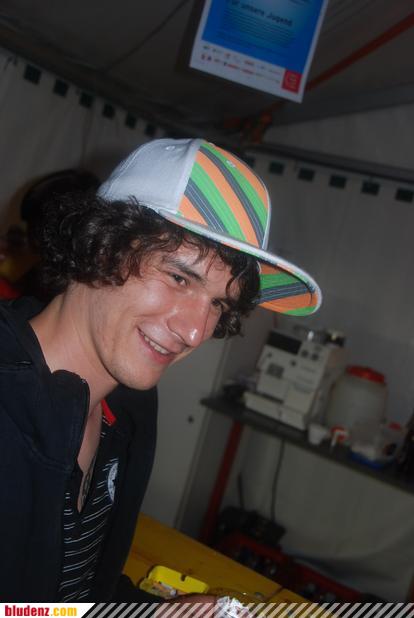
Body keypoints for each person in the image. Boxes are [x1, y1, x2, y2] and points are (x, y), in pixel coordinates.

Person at [0, 138, 321, 602]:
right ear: (100, 245)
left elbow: (70, 600)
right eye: (179, 277)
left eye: (218, 304)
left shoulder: (127, 409)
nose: (195, 332)